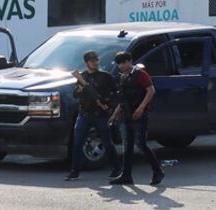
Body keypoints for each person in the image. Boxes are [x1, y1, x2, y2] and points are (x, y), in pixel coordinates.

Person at [109, 51, 164, 186]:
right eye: (119, 63)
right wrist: (115, 114)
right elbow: (122, 99)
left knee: (141, 144)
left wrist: (141, 108)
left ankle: (157, 171)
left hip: (139, 114)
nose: (122, 65)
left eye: (124, 62)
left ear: (130, 61)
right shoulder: (122, 77)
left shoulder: (140, 74)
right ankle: (126, 175)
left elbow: (151, 90)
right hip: (126, 115)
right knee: (127, 146)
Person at [65, 50, 120, 181]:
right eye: (91, 61)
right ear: (86, 63)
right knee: (77, 143)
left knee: (107, 143)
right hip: (84, 114)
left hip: (100, 114)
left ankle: (116, 168)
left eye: (96, 60)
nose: (94, 63)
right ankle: (75, 171)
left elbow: (115, 93)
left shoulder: (105, 76)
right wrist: (80, 88)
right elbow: (75, 94)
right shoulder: (82, 77)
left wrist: (109, 106)